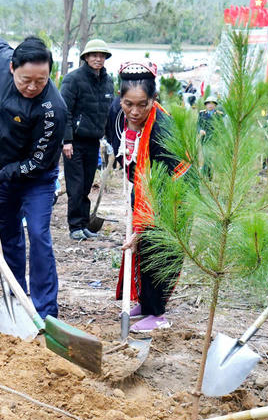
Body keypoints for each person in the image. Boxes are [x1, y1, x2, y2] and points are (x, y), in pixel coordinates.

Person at [0, 36, 68, 320]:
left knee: (38, 234)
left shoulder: (53, 109)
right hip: (1, 169)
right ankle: (15, 296)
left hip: (37, 180)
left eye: (41, 80)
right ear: (11, 68)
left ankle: (45, 311)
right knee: (7, 236)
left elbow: (38, 161)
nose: (33, 87)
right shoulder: (2, 60)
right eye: (26, 80)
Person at [107, 64, 185, 331]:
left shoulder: (162, 129)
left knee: (158, 249)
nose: (135, 111)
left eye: (143, 104)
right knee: (142, 250)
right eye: (129, 103)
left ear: (154, 100)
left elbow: (167, 184)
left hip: (173, 194)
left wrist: (142, 227)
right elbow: (118, 145)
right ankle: (146, 302)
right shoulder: (117, 114)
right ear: (120, 98)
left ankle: (158, 313)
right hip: (141, 186)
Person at [60, 37, 115, 241]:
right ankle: (75, 226)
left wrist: (111, 142)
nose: (98, 59)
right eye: (94, 55)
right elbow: (63, 111)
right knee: (75, 185)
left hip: (94, 141)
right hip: (74, 142)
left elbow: (108, 114)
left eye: (101, 55)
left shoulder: (108, 82)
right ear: (86, 57)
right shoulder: (73, 79)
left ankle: (83, 224)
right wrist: (66, 140)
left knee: (86, 185)